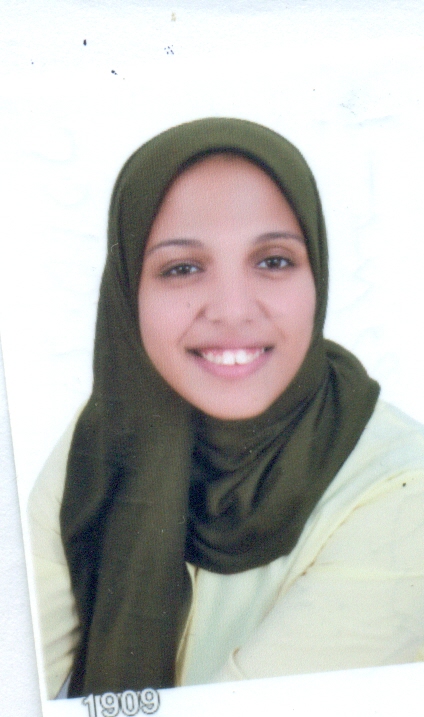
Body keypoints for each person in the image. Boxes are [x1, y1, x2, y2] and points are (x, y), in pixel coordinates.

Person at [28, 118, 424, 700]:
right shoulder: (111, 434)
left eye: (273, 260)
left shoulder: (405, 494)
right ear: (129, 290)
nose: (233, 311)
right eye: (182, 268)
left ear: (317, 274)